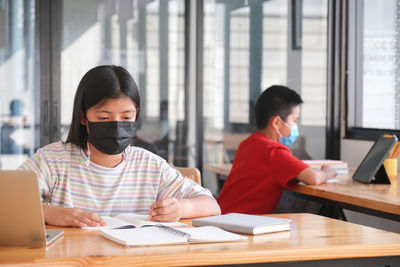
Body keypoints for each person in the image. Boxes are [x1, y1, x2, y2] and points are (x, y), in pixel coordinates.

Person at [19, 65, 220, 227]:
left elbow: (211, 205)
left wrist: (181, 208)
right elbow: (7, 201)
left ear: (137, 116)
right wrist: (49, 213)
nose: (116, 126)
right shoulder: (53, 160)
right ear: (83, 117)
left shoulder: (150, 166)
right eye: (104, 117)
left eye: (126, 117)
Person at [217, 85, 337, 214]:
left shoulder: (248, 143)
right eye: (294, 120)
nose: (295, 126)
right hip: (238, 225)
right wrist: (328, 173)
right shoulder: (274, 151)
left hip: (221, 216)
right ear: (276, 123)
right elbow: (313, 177)